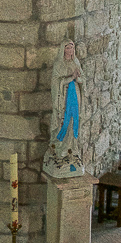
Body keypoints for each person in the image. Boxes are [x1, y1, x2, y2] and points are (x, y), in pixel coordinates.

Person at [43, 39, 86, 176]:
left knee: (73, 121)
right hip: (63, 98)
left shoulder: (76, 62)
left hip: (74, 97)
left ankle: (71, 150)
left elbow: (82, 80)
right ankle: (59, 150)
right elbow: (56, 83)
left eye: (72, 48)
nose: (70, 50)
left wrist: (78, 77)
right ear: (63, 49)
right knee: (63, 123)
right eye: (68, 48)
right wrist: (70, 77)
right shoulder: (58, 65)